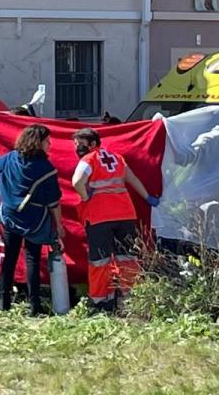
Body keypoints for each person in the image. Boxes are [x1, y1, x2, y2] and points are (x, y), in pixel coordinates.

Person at [71, 128, 159, 312]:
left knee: (100, 261)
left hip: (99, 217)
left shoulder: (88, 160)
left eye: (80, 144)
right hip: (125, 215)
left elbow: (76, 181)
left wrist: (85, 196)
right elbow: (132, 179)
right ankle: (130, 299)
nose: (77, 148)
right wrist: (147, 197)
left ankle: (101, 302)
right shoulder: (117, 158)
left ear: (93, 144)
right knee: (127, 258)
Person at [0, 124, 64, 315]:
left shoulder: (9, 158)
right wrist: (59, 225)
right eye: (47, 141)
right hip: (34, 219)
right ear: (38, 143)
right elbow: (54, 202)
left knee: (9, 257)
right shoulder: (45, 168)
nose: (50, 144)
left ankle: (4, 301)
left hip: (9, 215)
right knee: (32, 259)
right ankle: (34, 305)